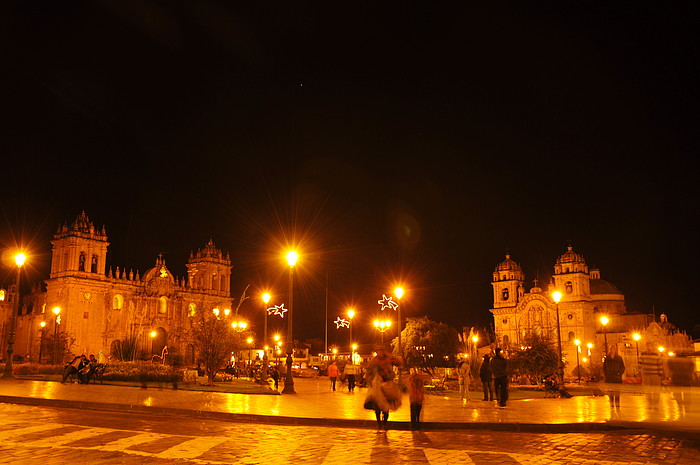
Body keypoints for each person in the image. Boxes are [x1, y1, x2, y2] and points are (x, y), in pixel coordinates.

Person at [363, 345, 402, 430]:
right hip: (378, 383)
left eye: (379, 351)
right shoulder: (375, 360)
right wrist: (369, 379)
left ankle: (385, 423)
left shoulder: (389, 358)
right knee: (377, 404)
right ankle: (379, 423)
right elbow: (369, 370)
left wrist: (396, 360)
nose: (378, 353)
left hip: (388, 383)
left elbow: (398, 363)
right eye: (377, 351)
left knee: (386, 406)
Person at [639, 343, 665, 408]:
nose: (649, 347)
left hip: (655, 374)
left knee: (656, 390)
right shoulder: (643, 354)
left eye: (650, 346)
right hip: (646, 374)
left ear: (652, 347)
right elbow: (639, 363)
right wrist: (639, 372)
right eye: (648, 346)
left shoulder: (656, 354)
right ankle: (650, 404)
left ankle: (655, 404)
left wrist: (660, 374)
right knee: (648, 390)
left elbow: (660, 364)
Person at [603, 345, 625, 410]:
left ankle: (618, 407)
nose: (611, 350)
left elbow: (622, 367)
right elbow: (604, 367)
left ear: (615, 350)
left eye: (612, 349)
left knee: (617, 394)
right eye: (610, 349)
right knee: (611, 394)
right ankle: (612, 406)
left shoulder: (619, 358)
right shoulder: (607, 358)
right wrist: (606, 375)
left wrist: (619, 373)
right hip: (609, 378)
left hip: (617, 378)